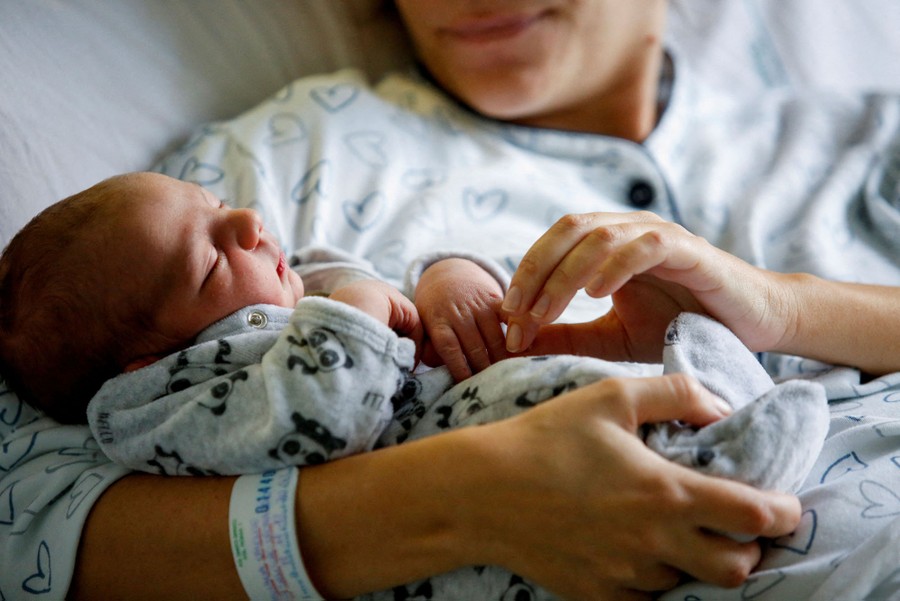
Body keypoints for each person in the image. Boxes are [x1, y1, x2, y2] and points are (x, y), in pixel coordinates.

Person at [3, 0, 898, 599]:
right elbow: (28, 508)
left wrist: (781, 308)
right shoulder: (290, 153)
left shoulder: (866, 136)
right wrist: (459, 497)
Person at [0, 171, 828, 600]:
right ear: (144, 363)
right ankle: (713, 461)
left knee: (603, 367)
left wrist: (442, 276)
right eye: (214, 254)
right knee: (554, 400)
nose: (250, 223)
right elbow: (319, 418)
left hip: (477, 409)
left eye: (219, 203)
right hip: (459, 522)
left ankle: (717, 395)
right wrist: (359, 310)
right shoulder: (158, 406)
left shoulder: (270, 305)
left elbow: (332, 272)